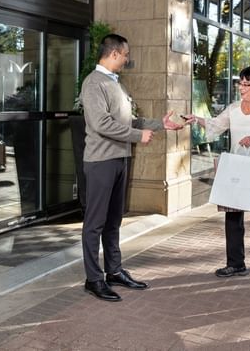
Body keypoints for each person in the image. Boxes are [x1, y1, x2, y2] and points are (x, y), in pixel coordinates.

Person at [80, 33, 184, 302]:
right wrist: (138, 137)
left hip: (120, 160)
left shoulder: (117, 84)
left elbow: (130, 121)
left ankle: (114, 271)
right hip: (101, 162)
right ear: (113, 53)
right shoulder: (94, 83)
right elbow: (101, 123)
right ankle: (94, 279)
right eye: (125, 54)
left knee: (114, 221)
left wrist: (159, 125)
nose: (127, 59)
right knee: (95, 224)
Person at [184, 66, 250, 284]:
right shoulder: (233, 108)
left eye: (246, 84)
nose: (241, 88)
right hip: (236, 167)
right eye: (240, 83)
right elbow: (216, 125)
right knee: (233, 218)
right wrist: (196, 119)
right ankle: (235, 264)